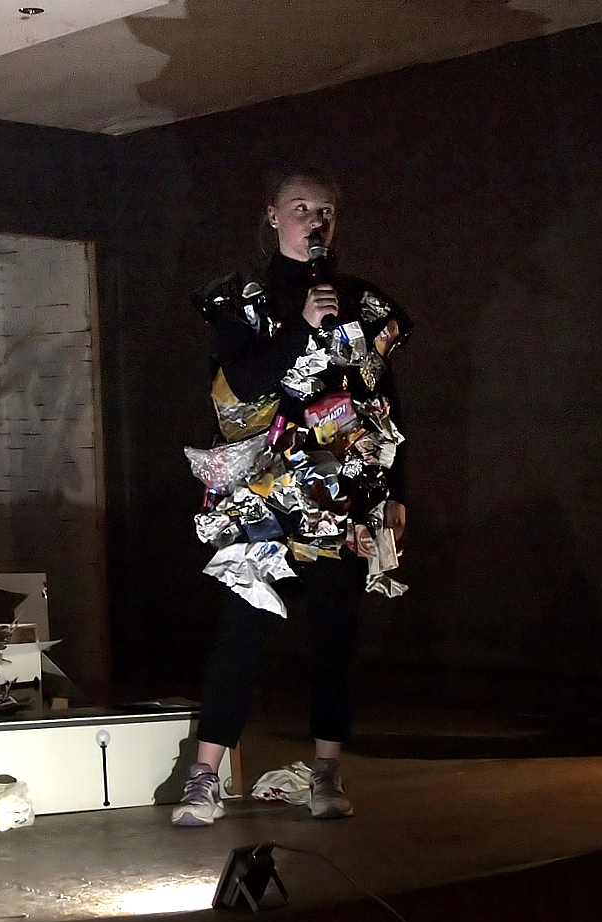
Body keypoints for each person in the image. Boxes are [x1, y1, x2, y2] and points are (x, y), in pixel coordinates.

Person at [173, 168, 412, 827]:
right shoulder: (241, 300)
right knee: (241, 630)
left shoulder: (361, 303)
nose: (315, 220)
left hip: (343, 493)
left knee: (335, 634)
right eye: (301, 207)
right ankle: (204, 776)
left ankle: (326, 771)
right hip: (265, 491)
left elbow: (383, 401)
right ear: (273, 215)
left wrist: (396, 492)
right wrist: (302, 326)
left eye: (325, 210)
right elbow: (244, 379)